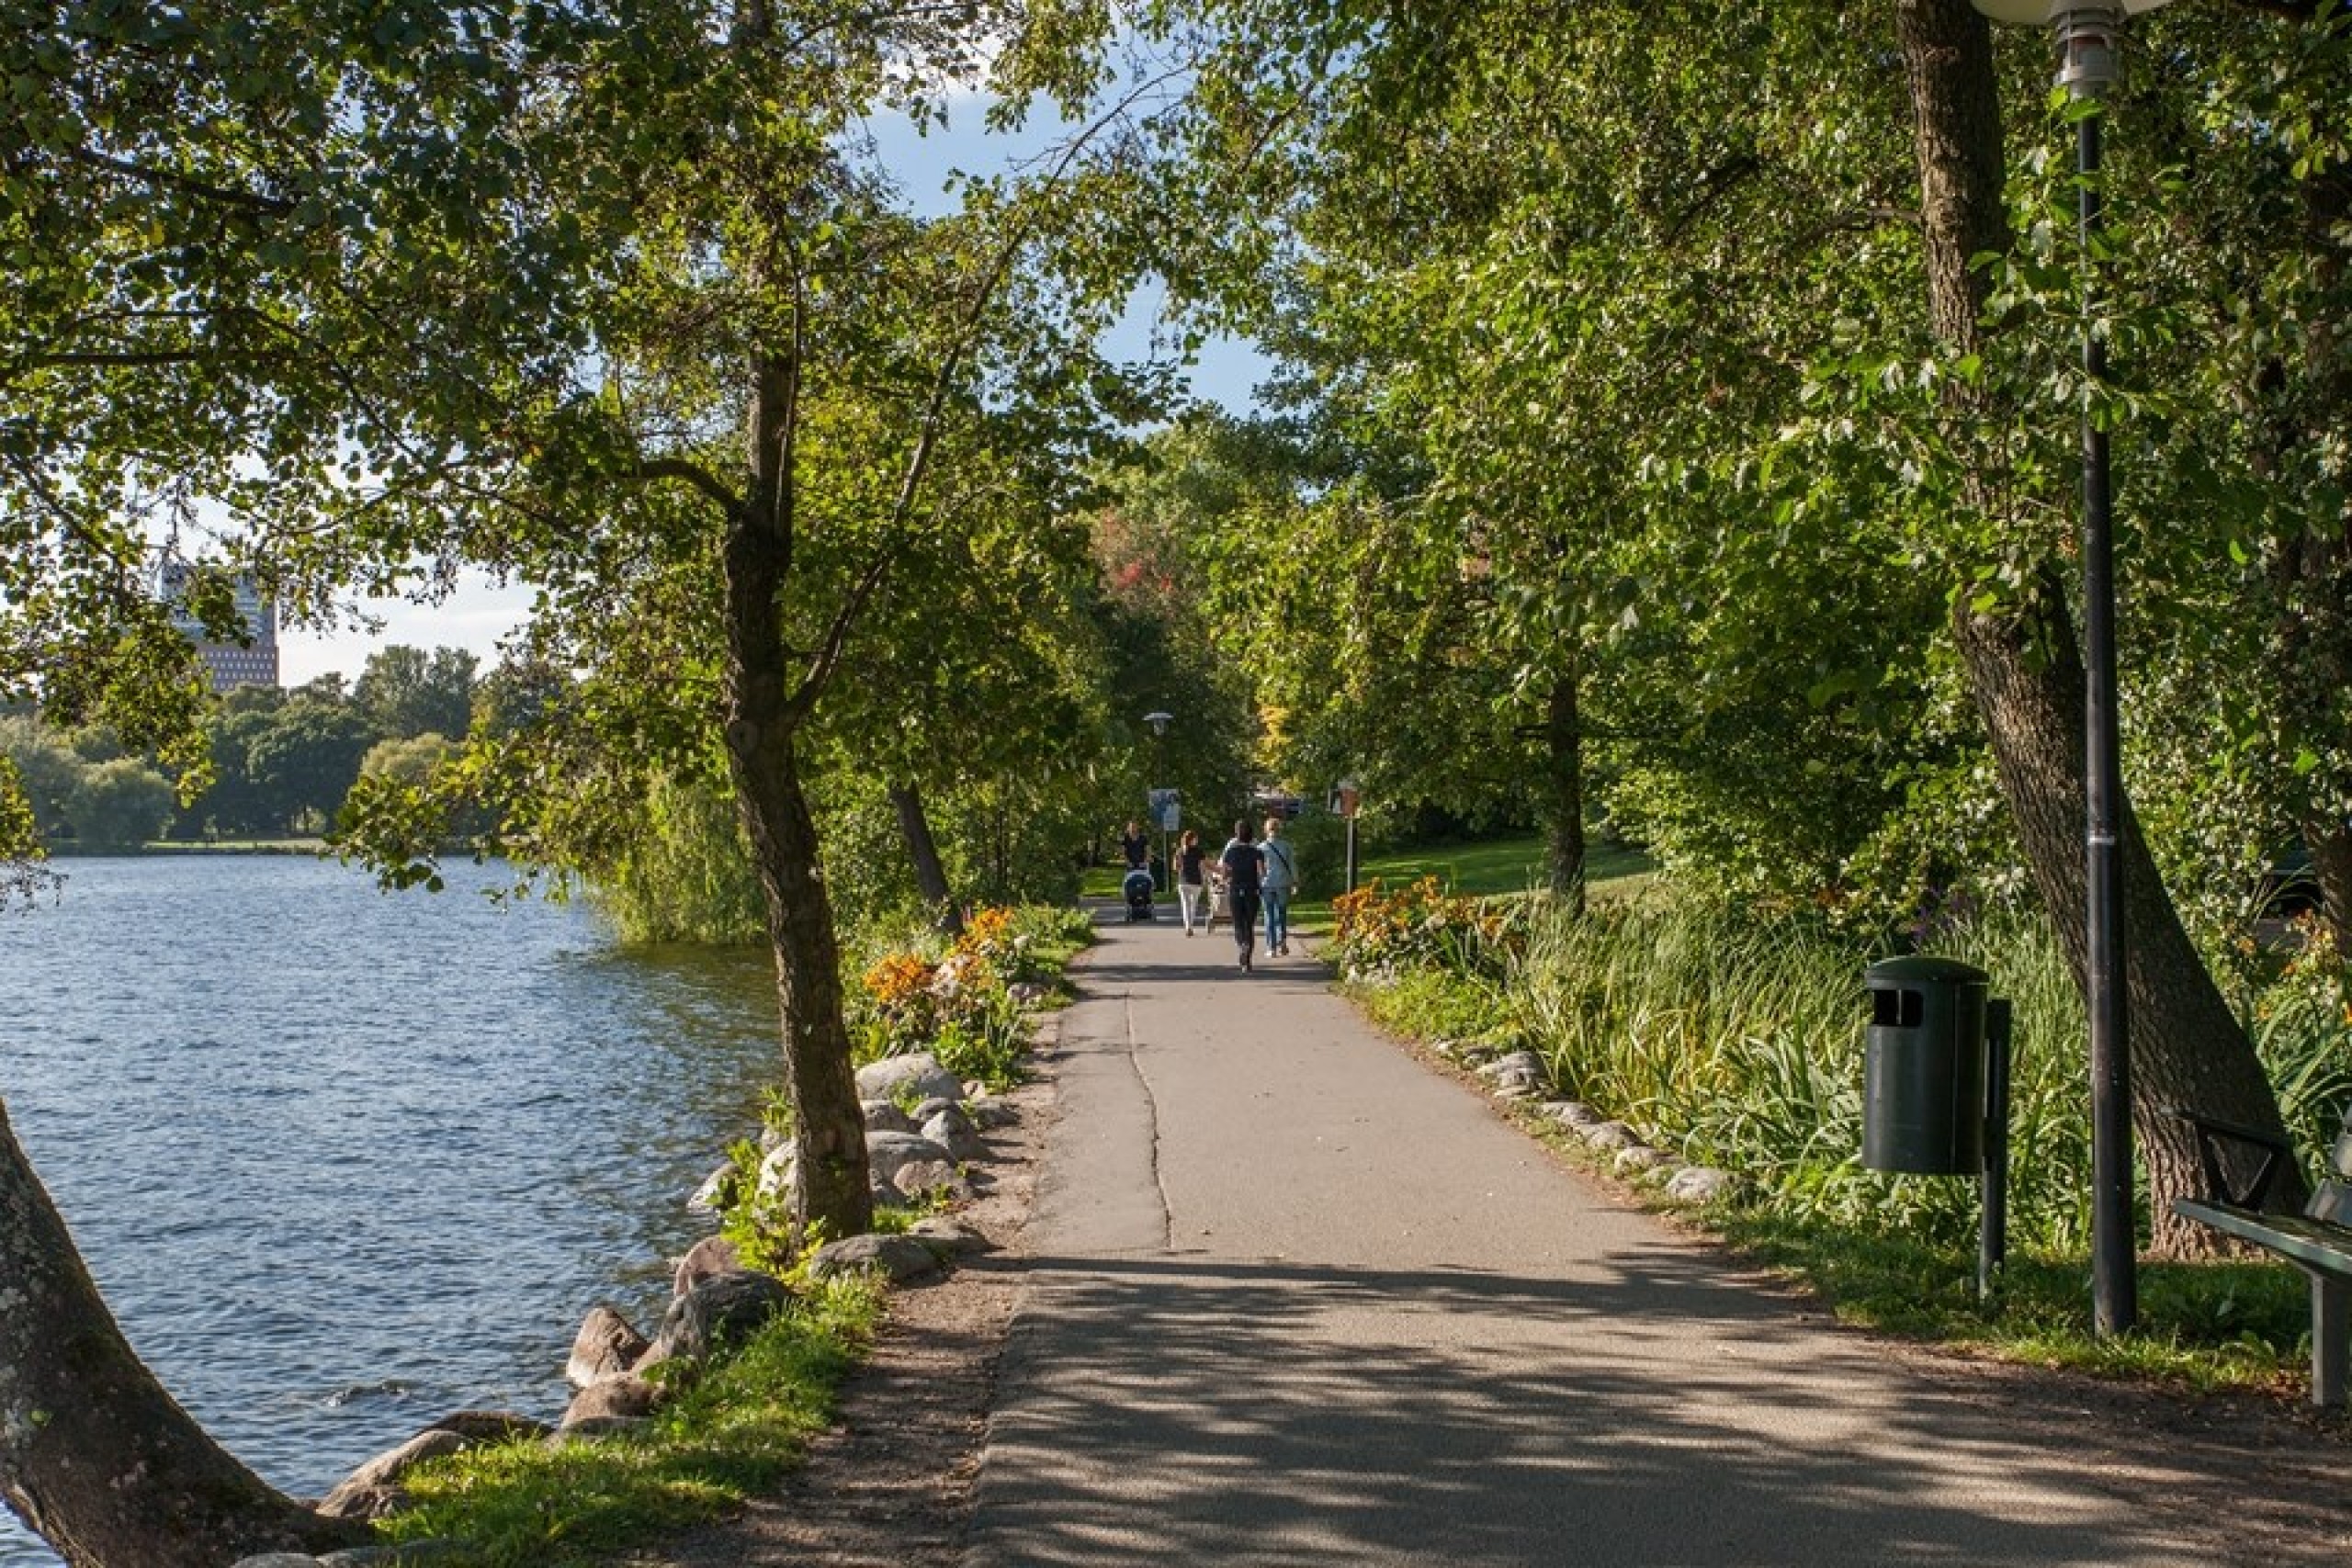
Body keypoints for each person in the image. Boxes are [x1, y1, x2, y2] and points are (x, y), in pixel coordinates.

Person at [1218, 818, 1266, 972]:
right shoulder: (1257, 852)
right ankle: (1248, 961)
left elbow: (1224, 873)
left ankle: (1242, 946)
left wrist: (1225, 880)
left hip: (1235, 890)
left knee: (1238, 924)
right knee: (1249, 925)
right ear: (1251, 836)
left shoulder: (1230, 852)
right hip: (1252, 891)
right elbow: (1261, 872)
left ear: (1236, 834)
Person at [1258, 815, 1297, 957]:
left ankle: (1271, 948)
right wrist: (1295, 881)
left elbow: (1258, 869)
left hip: (1266, 884)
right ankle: (1283, 943)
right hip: (1283, 883)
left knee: (1269, 916)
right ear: (1278, 830)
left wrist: (1257, 883)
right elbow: (1292, 865)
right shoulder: (1286, 846)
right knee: (1281, 914)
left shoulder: (1261, 848)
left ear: (1266, 830)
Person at [1175, 829, 1208, 936]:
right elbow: (1202, 867)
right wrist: (1204, 878)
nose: (1197, 840)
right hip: (1195, 881)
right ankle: (1190, 926)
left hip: (1183, 881)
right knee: (1193, 905)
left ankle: (1188, 927)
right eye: (1196, 838)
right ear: (1192, 840)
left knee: (1185, 905)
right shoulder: (1199, 851)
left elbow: (1176, 867)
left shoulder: (1180, 851)